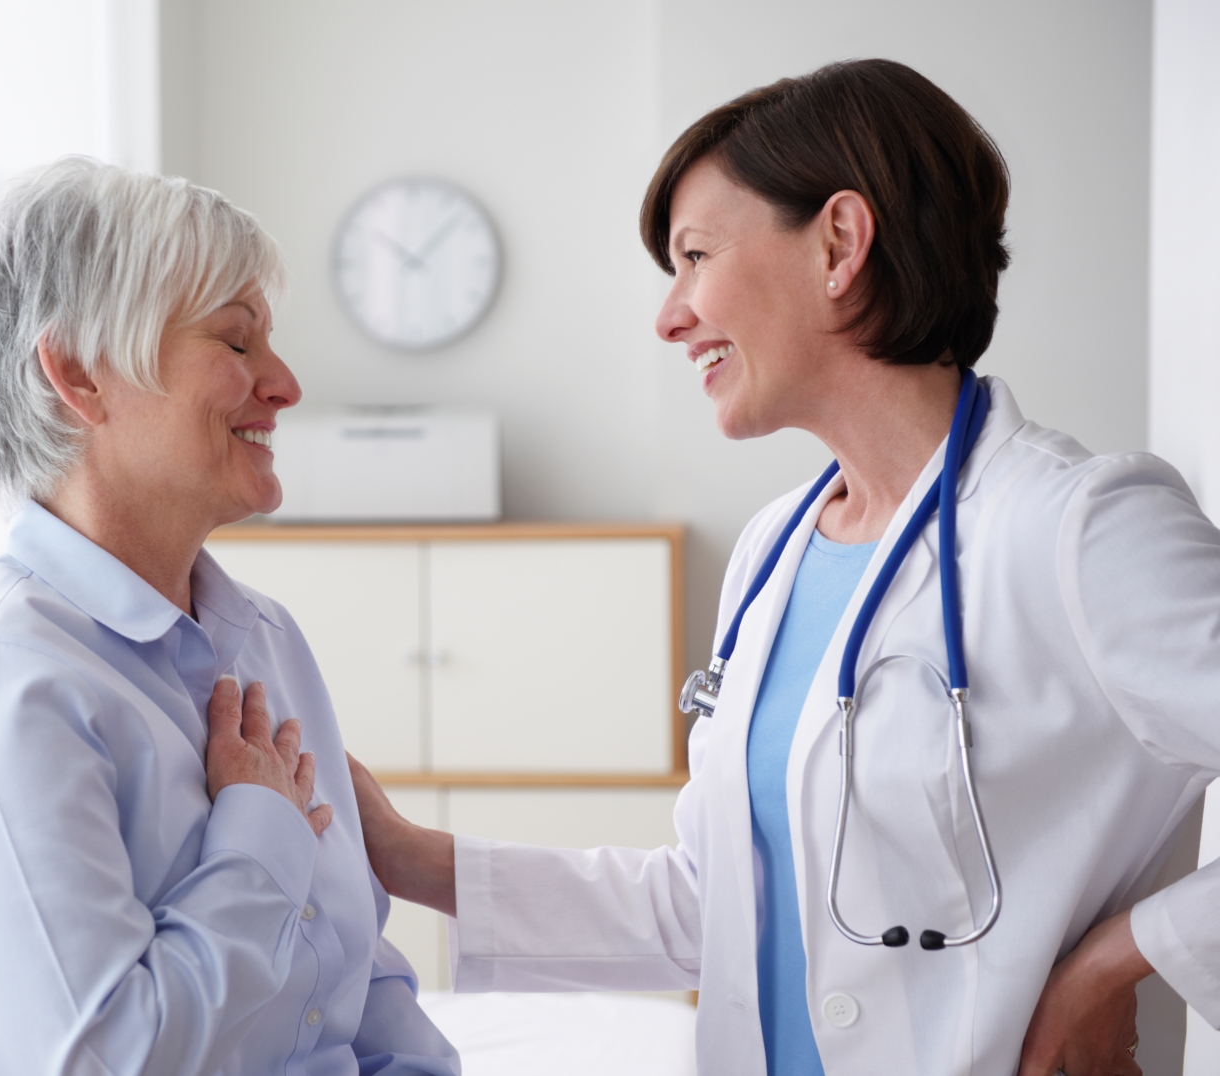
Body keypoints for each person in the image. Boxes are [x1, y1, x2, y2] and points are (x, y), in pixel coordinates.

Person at [349, 60, 1220, 1076]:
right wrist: (409, 855)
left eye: (693, 256)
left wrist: (1118, 960)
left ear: (840, 243)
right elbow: (713, 903)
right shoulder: (775, 549)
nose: (669, 316)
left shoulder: (1079, 528)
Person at [0, 158, 458, 1076]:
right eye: (236, 342)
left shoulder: (266, 638)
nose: (285, 382)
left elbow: (354, 979)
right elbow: (103, 1061)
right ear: (82, 375)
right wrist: (258, 834)